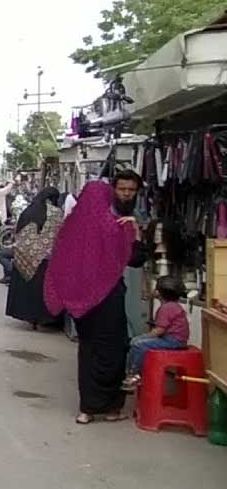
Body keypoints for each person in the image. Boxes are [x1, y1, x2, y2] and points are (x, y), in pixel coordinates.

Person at [44, 181, 145, 424]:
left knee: (87, 351)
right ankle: (111, 409)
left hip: (82, 304)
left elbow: (58, 262)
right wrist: (137, 234)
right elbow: (135, 260)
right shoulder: (115, 227)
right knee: (113, 351)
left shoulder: (71, 228)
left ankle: (86, 409)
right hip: (109, 299)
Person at [5, 187, 63, 328]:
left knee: (28, 288)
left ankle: (29, 318)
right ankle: (44, 319)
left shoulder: (28, 211)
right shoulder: (55, 213)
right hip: (45, 258)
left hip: (24, 256)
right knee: (41, 290)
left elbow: (18, 231)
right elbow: (58, 234)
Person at [122, 276, 190, 389]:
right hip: (178, 341)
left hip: (172, 341)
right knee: (139, 343)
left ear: (158, 293)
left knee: (138, 345)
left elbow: (159, 330)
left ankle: (134, 376)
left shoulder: (166, 308)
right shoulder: (175, 306)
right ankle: (133, 374)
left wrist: (141, 337)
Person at [112, 170, 148, 338]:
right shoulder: (105, 213)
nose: (126, 193)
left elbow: (140, 255)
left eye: (131, 190)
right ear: (114, 189)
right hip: (108, 279)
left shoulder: (137, 215)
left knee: (131, 309)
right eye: (122, 189)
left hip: (132, 274)